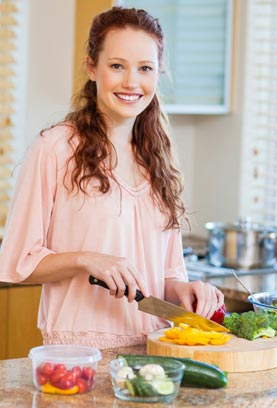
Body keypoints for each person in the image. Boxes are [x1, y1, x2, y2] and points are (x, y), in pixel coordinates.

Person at [0, 6, 224, 349]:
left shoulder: (158, 157)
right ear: (93, 68)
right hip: (78, 355)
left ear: (158, 73)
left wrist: (187, 291)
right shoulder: (57, 148)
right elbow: (17, 263)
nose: (132, 82)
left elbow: (167, 275)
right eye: (117, 66)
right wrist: (85, 259)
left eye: (145, 68)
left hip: (155, 349)